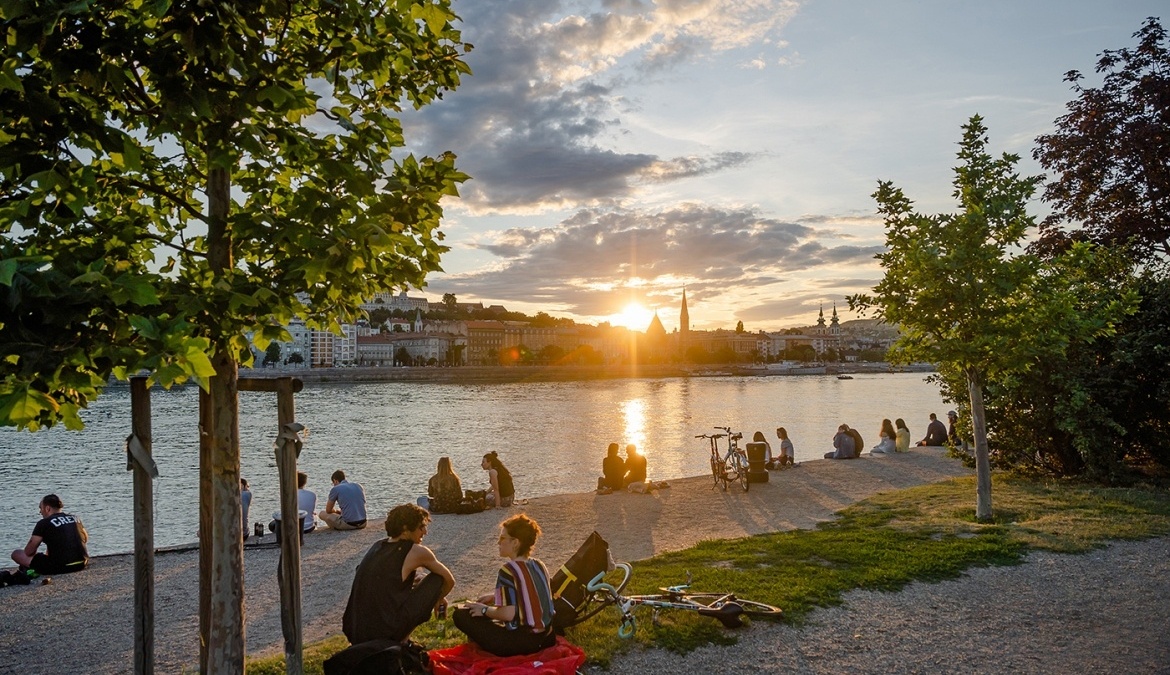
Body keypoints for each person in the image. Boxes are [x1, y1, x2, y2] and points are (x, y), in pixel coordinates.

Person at [342, 503, 455, 644]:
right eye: (421, 527)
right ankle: (402, 640)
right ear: (405, 530)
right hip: (386, 633)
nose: (425, 532)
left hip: (355, 631)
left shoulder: (378, 546)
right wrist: (436, 598)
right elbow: (449, 580)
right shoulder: (417, 551)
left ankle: (400, 639)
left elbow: (382, 581)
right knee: (437, 579)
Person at [453, 514, 556, 657]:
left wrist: (484, 610)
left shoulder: (508, 570)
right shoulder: (539, 565)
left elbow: (508, 614)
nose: (498, 543)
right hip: (546, 637)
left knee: (461, 615)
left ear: (515, 542)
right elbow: (531, 593)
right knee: (486, 612)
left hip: (520, 643)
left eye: (502, 538)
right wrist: (496, 596)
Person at [10, 494, 89, 576]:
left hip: (61, 567)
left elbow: (29, 552)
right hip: (82, 563)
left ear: (47, 508)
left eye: (40, 508)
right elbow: (85, 539)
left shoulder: (44, 523)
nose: (40, 512)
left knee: (16, 554)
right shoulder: (75, 518)